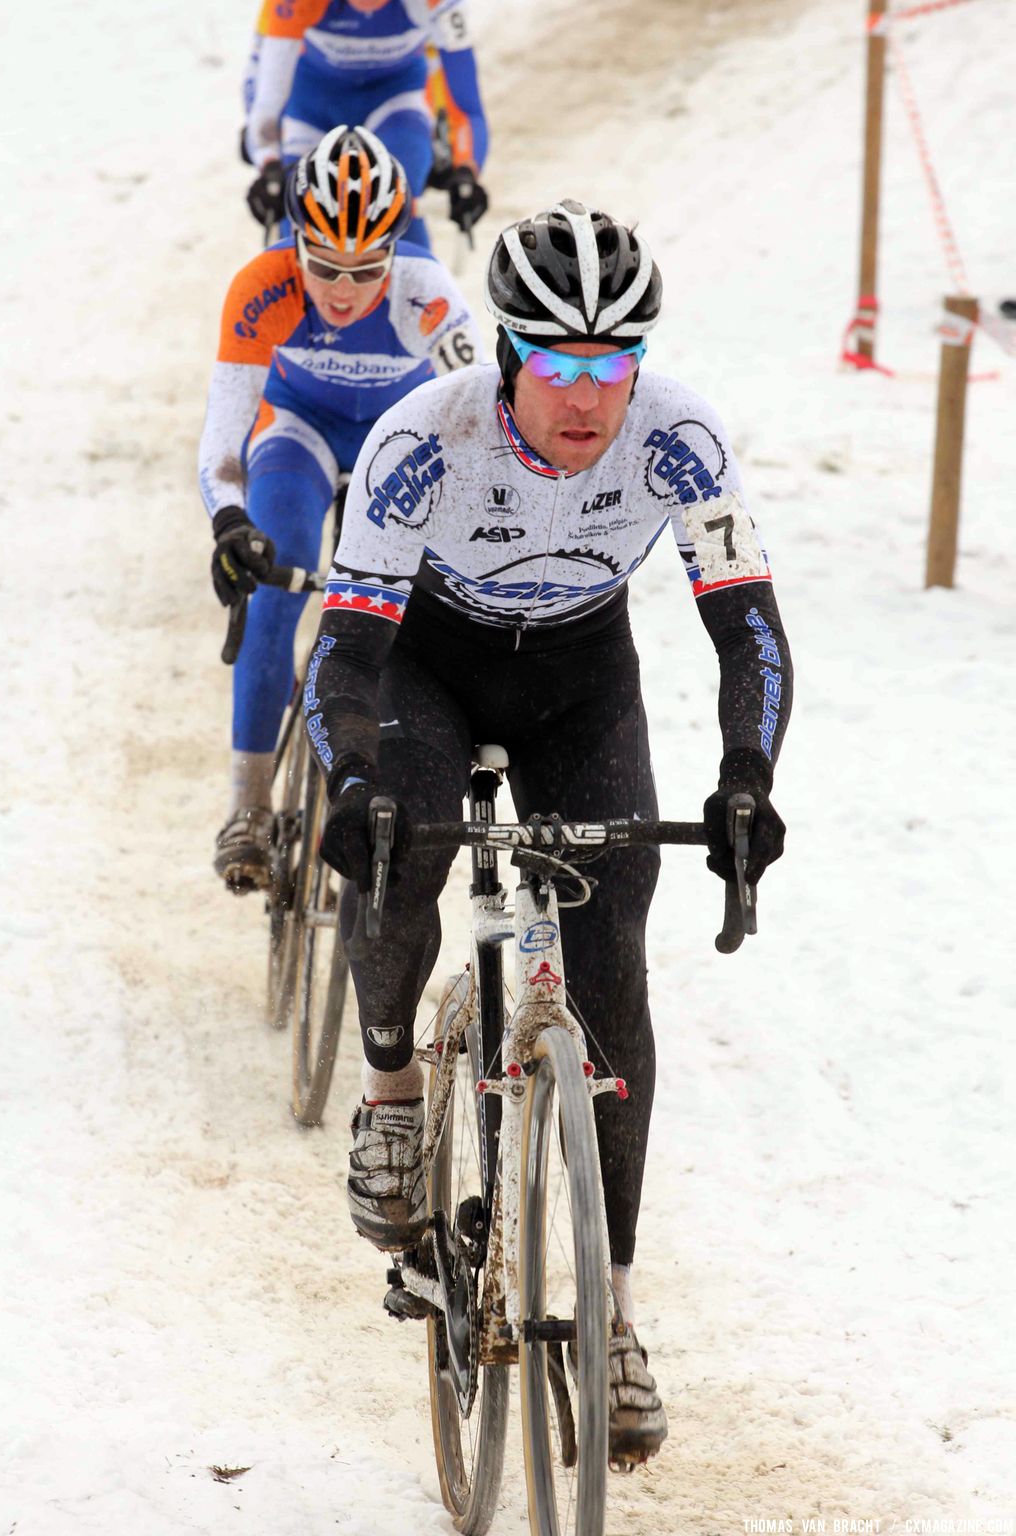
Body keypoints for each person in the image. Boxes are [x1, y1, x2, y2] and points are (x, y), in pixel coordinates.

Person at [302, 199, 793, 1462]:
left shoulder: (677, 437)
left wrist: (746, 774)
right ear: (512, 358)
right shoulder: (426, 439)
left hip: (582, 678)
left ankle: (616, 1312)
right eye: (563, 369)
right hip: (429, 661)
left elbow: (747, 626)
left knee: (613, 953)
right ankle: (395, 1093)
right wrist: (353, 780)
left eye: (612, 369)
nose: (589, 401)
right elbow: (346, 653)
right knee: (401, 850)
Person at [198, 124, 484, 892]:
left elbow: (485, 420)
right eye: (323, 265)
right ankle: (249, 807)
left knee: (406, 615)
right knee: (277, 571)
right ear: (293, 241)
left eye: (367, 268)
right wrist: (230, 523)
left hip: (395, 441)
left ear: (399, 246)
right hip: (296, 430)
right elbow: (223, 444)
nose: (344, 288)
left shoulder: (429, 293)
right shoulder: (259, 287)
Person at [242, 0, 489, 250]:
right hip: (312, 104)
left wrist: (466, 169)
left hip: (396, 97)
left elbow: (466, 104)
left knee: (398, 193)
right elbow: (266, 93)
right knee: (300, 204)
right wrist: (269, 161)